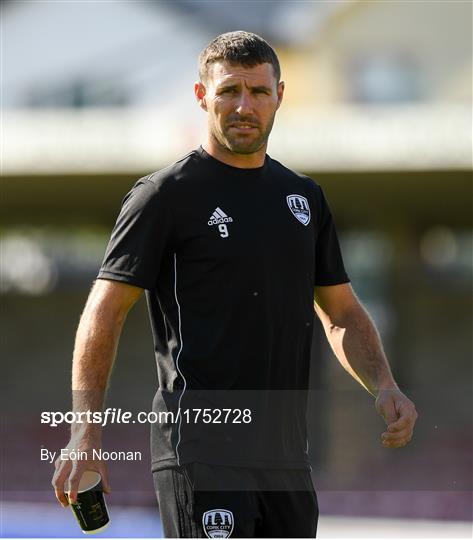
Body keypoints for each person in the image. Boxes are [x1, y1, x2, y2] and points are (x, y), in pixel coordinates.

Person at [52, 31, 418, 538]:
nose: (244, 106)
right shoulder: (163, 196)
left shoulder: (304, 198)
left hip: (288, 461)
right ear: (203, 96)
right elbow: (104, 312)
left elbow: (342, 314)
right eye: (229, 91)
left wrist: (384, 385)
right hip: (200, 453)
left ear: (280, 97)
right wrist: (83, 432)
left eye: (259, 92)